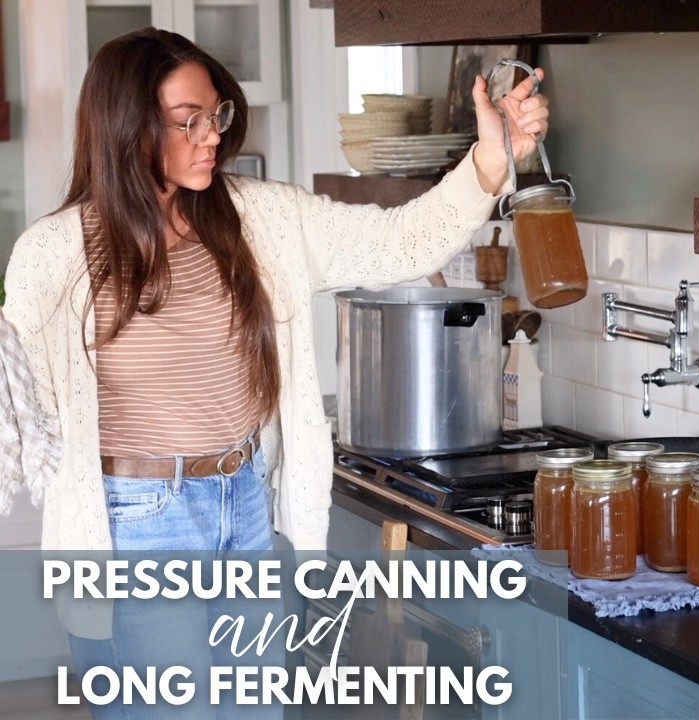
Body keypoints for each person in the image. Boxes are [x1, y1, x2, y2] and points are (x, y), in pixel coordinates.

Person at [2, 27, 549, 718]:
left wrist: (489, 162)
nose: (211, 136)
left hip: (244, 501)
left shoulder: (260, 216)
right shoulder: (56, 252)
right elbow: (12, 398)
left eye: (217, 114)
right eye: (187, 121)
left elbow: (399, 243)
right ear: (125, 128)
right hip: (134, 525)